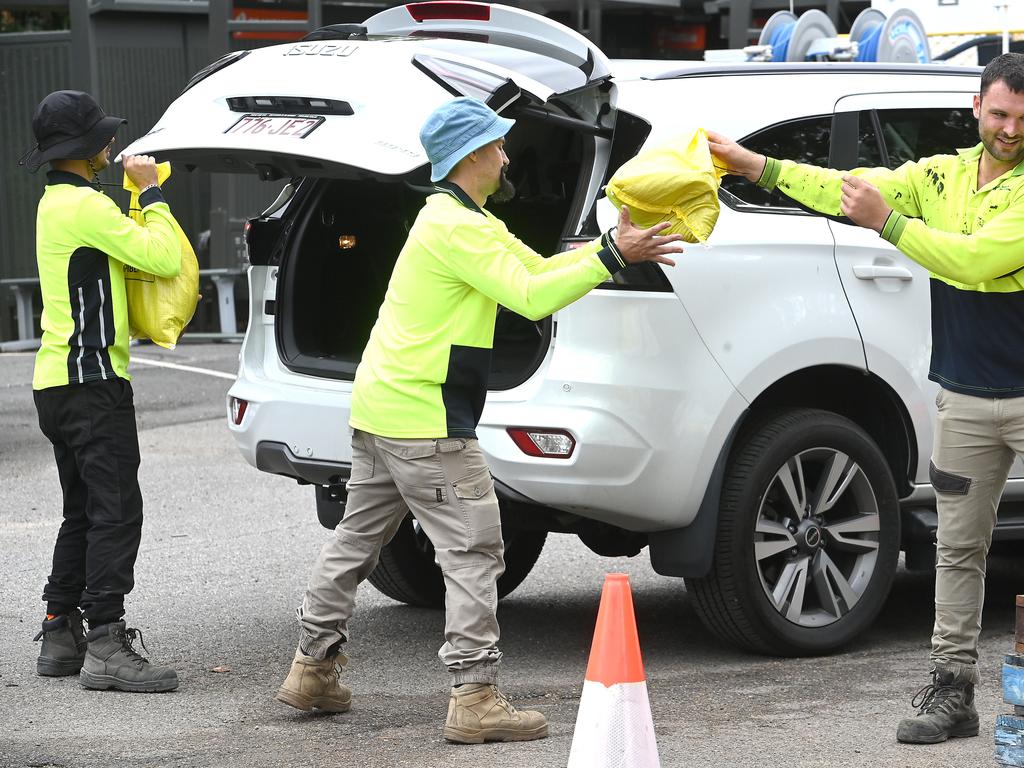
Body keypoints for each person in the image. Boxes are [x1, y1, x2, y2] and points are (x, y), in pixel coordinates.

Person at [274, 96, 684, 743]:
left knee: (356, 539)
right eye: (495, 145)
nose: (506, 153)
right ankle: (475, 698)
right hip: (426, 419)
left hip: (383, 408)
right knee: (473, 550)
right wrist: (614, 255)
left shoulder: (455, 218)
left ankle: (312, 669)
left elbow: (537, 273)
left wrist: (611, 248)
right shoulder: (459, 227)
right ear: (469, 158)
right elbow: (532, 296)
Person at [707, 53, 1024, 745]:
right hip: (965, 397)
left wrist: (890, 224)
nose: (1010, 129)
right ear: (977, 107)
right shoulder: (940, 175)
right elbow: (844, 188)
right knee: (958, 549)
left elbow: (972, 264)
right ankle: (952, 691)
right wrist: (753, 167)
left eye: (1023, 120)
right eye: (1000, 114)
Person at [20, 90, 182, 692]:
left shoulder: (55, 203)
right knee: (117, 511)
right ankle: (107, 641)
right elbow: (163, 258)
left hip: (55, 383)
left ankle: (61, 628)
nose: (112, 145)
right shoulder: (87, 207)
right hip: (94, 384)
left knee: (83, 511)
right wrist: (151, 191)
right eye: (104, 139)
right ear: (88, 151)